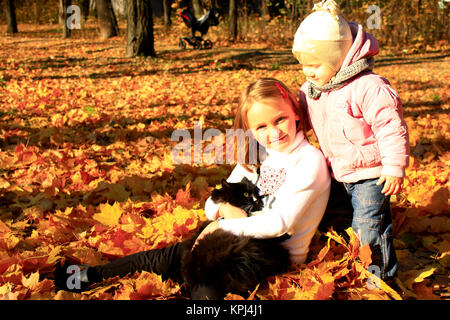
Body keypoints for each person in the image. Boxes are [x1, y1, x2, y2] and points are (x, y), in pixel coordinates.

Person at [54, 78, 331, 299]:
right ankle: (91, 276)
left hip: (268, 259)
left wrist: (222, 227)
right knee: (168, 255)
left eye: (279, 119)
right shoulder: (260, 154)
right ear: (249, 130)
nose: (273, 132)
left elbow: (279, 224)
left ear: (295, 111)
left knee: (204, 280)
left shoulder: (308, 161)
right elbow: (212, 201)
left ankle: (194, 286)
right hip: (236, 240)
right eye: (261, 126)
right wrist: (222, 209)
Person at [292, 0, 410, 281]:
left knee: (370, 226)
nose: (308, 72)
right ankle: (339, 262)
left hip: (372, 176)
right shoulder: (313, 90)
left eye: (315, 65)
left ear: (338, 59)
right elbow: (302, 121)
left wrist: (394, 166)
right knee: (332, 218)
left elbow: (391, 126)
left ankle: (378, 278)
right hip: (337, 173)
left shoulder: (368, 86)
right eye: (303, 65)